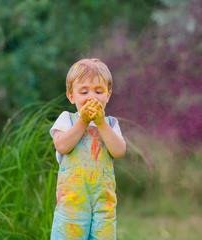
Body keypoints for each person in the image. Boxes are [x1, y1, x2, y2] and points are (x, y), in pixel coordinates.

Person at [50, 58, 126, 239]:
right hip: (72, 205)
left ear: (108, 94)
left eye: (98, 91)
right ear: (71, 96)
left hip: (103, 205)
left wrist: (100, 123)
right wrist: (84, 121)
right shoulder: (67, 119)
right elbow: (61, 146)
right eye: (84, 91)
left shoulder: (110, 124)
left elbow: (119, 151)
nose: (92, 97)